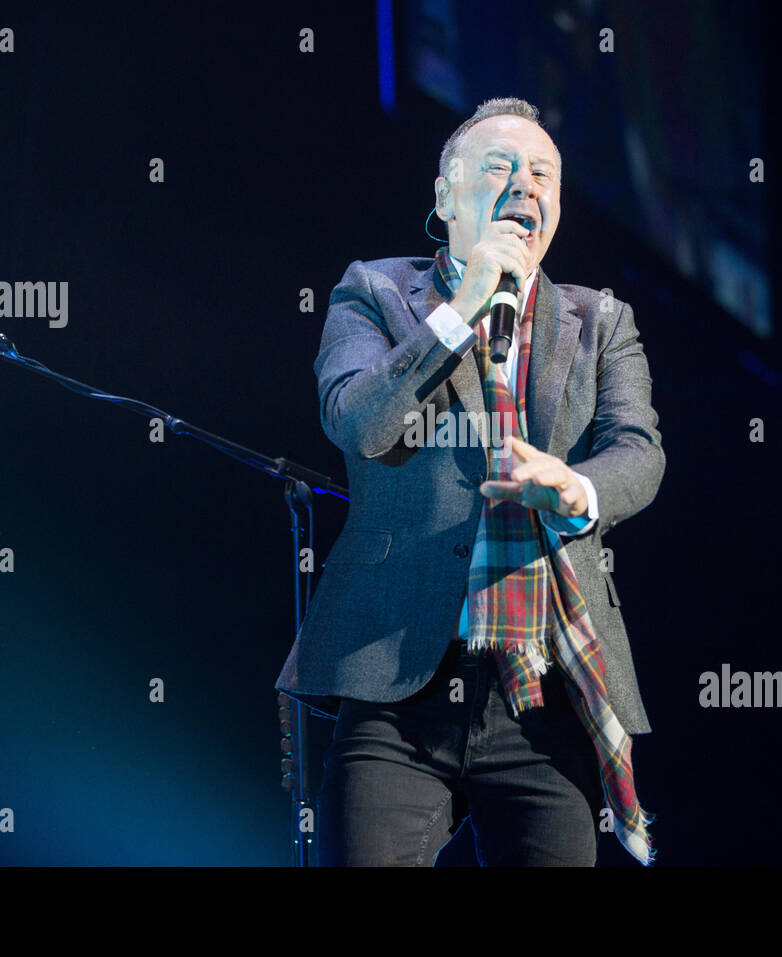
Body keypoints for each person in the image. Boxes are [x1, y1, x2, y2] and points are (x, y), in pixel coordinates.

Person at [276, 97, 665, 866]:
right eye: (500, 167)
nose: (525, 182)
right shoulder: (378, 293)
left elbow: (639, 451)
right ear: (446, 196)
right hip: (396, 675)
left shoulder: (600, 319)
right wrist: (462, 306)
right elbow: (359, 423)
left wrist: (574, 486)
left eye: (543, 173)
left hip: (547, 690)